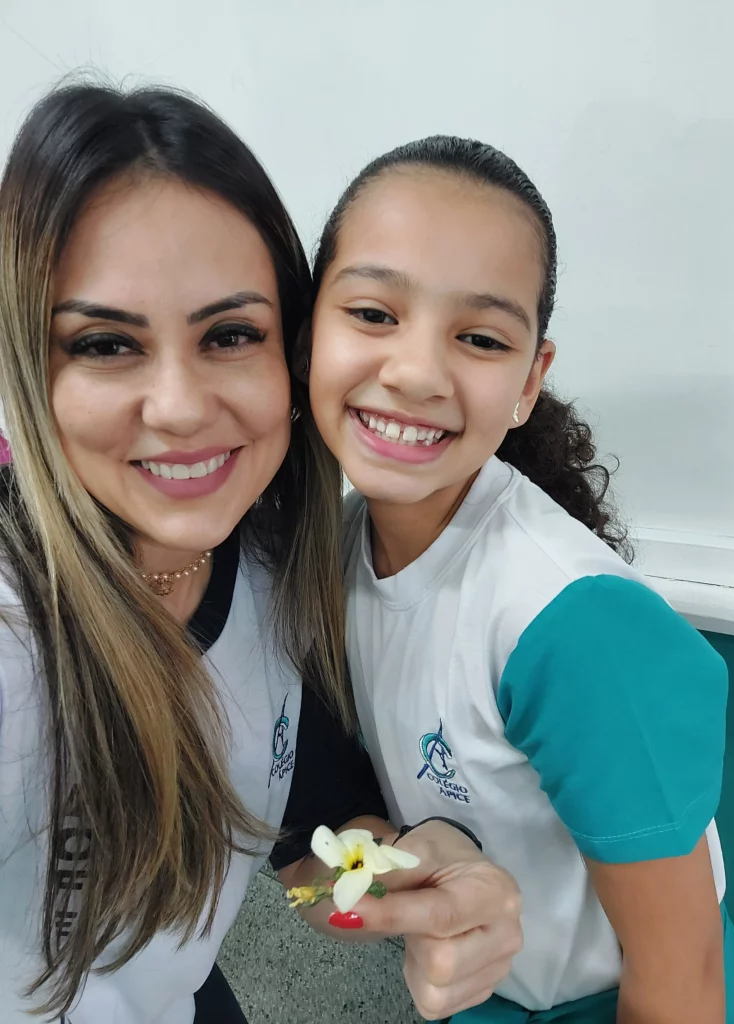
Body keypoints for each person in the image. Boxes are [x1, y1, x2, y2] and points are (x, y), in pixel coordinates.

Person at [0, 89, 523, 1024]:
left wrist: (402, 882)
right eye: (106, 344)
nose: (180, 406)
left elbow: (307, 856)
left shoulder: (275, 574)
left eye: (231, 335)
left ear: (294, 355)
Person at [308, 136, 734, 1022]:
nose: (416, 372)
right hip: (484, 994)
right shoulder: (337, 553)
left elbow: (683, 976)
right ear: (305, 329)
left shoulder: (571, 625)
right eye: (372, 313)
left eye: (479, 337)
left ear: (527, 382)